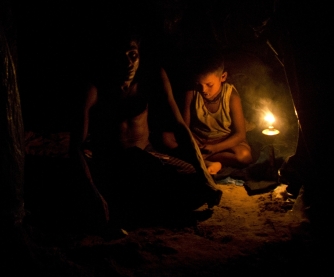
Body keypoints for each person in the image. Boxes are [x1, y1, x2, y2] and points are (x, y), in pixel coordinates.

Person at [70, 31, 221, 229]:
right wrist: (93, 193)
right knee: (138, 181)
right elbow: (76, 148)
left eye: (133, 55)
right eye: (121, 56)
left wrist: (206, 178)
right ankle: (142, 209)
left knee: (196, 183)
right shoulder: (96, 87)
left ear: (139, 55)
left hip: (147, 155)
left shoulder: (151, 76)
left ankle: (141, 208)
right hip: (111, 163)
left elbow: (180, 127)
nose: (128, 63)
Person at [179, 52, 253, 174]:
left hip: (224, 141)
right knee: (166, 139)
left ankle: (201, 158)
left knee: (244, 157)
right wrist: (192, 142)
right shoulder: (192, 93)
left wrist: (215, 148)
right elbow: (184, 127)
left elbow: (240, 134)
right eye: (199, 84)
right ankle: (210, 162)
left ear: (222, 77)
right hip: (199, 140)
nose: (203, 90)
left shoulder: (231, 97)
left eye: (209, 85)